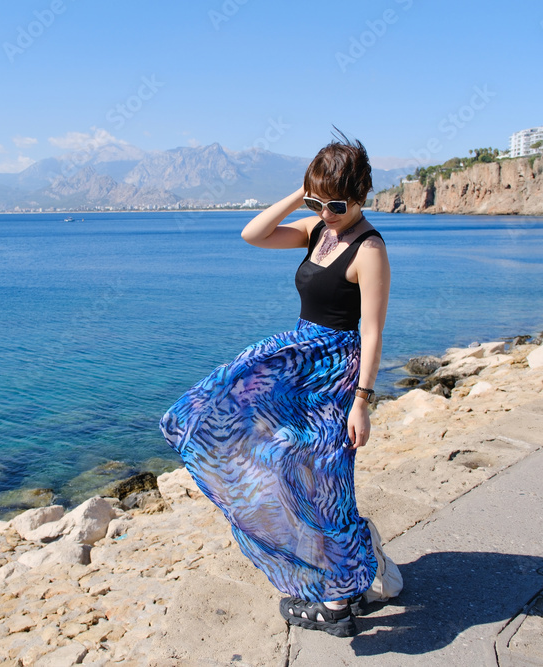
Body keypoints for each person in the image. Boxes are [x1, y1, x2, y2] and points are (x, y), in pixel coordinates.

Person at [159, 135, 401, 638]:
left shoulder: (370, 249)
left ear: (361, 195)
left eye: (337, 205)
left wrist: (362, 403)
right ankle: (344, 572)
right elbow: (253, 233)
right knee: (269, 454)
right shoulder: (317, 229)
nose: (327, 213)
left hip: (335, 374)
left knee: (327, 479)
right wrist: (303, 196)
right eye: (318, 203)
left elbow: (374, 332)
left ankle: (337, 603)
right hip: (296, 366)